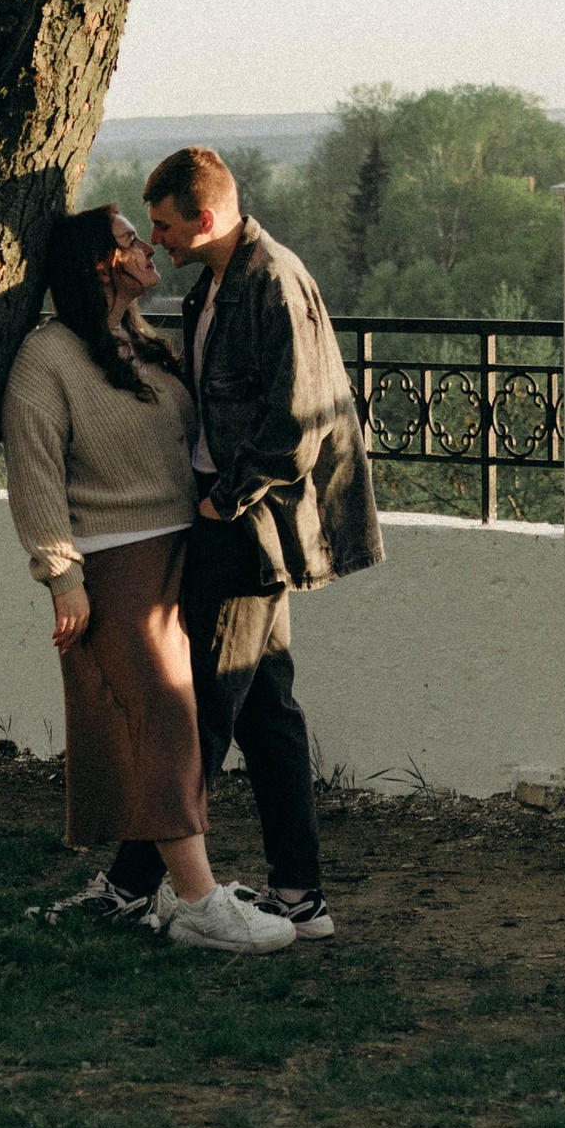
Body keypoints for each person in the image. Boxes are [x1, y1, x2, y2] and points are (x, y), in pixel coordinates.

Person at [1, 205, 299, 957]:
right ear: (98, 263)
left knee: (195, 722)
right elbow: (32, 469)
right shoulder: (48, 355)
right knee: (163, 720)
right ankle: (198, 903)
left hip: (187, 553)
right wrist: (61, 575)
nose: (146, 248)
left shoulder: (141, 341)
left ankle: (136, 894)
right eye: (131, 240)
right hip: (115, 561)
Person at [143, 145, 383, 937]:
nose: (159, 243)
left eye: (167, 227)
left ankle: (141, 883)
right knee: (268, 710)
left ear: (204, 217)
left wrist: (223, 500)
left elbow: (298, 420)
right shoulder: (212, 285)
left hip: (246, 527)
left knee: (204, 707)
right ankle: (299, 896)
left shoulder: (271, 281)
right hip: (236, 522)